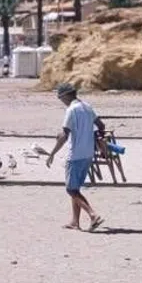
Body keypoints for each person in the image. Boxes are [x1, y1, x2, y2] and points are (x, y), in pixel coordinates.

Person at [45, 82, 105, 232]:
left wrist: (52, 153)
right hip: (88, 153)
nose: (61, 101)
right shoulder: (87, 106)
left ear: (65, 96)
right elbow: (101, 125)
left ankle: (93, 215)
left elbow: (64, 135)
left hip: (75, 155)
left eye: (60, 98)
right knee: (76, 188)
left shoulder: (71, 110)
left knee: (71, 190)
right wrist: (97, 141)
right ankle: (74, 222)